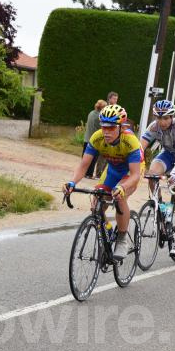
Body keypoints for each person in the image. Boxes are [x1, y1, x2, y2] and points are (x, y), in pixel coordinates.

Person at [63, 104, 141, 261]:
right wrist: (72, 183)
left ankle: (122, 239)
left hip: (129, 173)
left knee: (120, 197)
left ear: (120, 127)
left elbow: (135, 175)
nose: (106, 131)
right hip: (112, 170)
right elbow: (83, 166)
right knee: (97, 201)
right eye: (104, 127)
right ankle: (108, 229)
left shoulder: (130, 141)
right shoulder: (97, 138)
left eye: (111, 128)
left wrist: (122, 187)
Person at [140, 99, 175, 257]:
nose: (162, 122)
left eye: (166, 118)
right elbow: (139, 148)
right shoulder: (153, 127)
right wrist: (134, 166)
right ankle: (161, 206)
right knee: (152, 173)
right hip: (167, 154)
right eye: (159, 118)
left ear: (172, 117)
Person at [83, 99, 106, 178]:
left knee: (85, 157)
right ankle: (89, 174)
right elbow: (102, 128)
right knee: (93, 158)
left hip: (86, 138)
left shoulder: (91, 113)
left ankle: (84, 172)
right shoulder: (99, 117)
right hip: (94, 140)